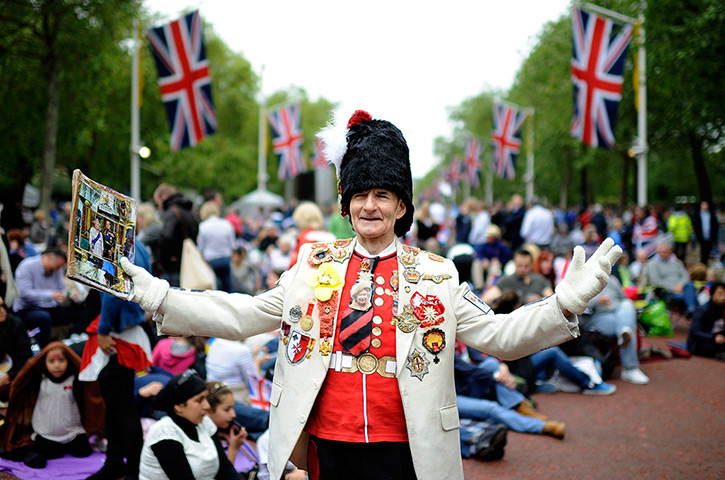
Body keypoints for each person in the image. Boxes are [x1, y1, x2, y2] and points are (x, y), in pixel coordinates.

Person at [121, 109, 621, 480]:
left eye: (382, 195)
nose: (369, 206)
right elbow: (243, 314)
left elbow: (500, 336)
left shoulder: (437, 274)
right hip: (329, 440)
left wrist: (565, 305)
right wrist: (160, 296)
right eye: (360, 195)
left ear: (401, 206)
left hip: (408, 444)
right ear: (346, 203)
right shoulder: (313, 264)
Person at [81, 242, 154, 480]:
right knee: (117, 407)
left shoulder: (119, 246)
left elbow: (113, 291)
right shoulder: (140, 246)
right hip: (125, 329)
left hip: (115, 333)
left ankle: (131, 469)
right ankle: (117, 464)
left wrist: (103, 330)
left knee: (120, 407)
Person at [0, 342, 103, 468]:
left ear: (68, 360)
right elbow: (19, 384)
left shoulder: (75, 380)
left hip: (72, 432)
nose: (57, 366)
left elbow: (92, 395)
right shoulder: (39, 379)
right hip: (46, 433)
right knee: (49, 452)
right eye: (51, 361)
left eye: (61, 360)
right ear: (44, 362)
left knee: (83, 451)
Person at [138, 370, 239, 480]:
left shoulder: (205, 422)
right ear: (179, 407)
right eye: (199, 400)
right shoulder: (164, 434)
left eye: (206, 398)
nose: (207, 406)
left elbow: (224, 467)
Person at [13, 249, 76, 348]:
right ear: (50, 257)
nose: (57, 269)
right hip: (27, 308)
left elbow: (61, 289)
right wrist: (51, 295)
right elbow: (25, 293)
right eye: (57, 266)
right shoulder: (27, 266)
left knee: (77, 311)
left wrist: (67, 295)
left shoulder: (56, 270)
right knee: (43, 317)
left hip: (49, 306)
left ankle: (72, 342)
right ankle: (45, 349)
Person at [153, 183, 200, 286]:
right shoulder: (190, 211)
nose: (159, 207)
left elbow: (166, 236)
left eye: (158, 203)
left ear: (163, 197)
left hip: (174, 265)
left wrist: (163, 259)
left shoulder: (172, 212)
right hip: (189, 262)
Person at [641, 240, 698, 317]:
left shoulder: (677, 262)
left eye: (665, 252)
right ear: (657, 252)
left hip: (682, 288)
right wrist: (673, 288)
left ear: (670, 252)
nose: (663, 254)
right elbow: (655, 282)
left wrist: (680, 285)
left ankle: (692, 310)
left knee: (690, 285)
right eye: (661, 252)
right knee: (692, 297)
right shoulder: (652, 264)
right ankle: (693, 310)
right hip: (667, 292)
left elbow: (686, 276)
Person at [482, 248, 554, 306]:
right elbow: (485, 299)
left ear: (531, 265)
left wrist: (540, 300)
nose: (522, 269)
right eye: (519, 266)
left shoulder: (540, 280)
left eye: (526, 266)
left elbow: (552, 300)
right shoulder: (506, 281)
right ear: (514, 263)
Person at [197, 201, 236, 293]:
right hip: (225, 258)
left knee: (214, 288)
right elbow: (233, 244)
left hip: (211, 260)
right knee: (227, 285)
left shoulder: (203, 226)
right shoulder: (226, 224)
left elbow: (200, 247)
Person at [0, 295, 33, 403]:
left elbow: (25, 358)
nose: (1, 310)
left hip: (14, 372)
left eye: (2, 306)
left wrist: (7, 376)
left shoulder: (15, 325)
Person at [687, 281, 725, 360]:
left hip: (719, 338)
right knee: (711, 346)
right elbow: (695, 331)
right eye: (720, 294)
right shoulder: (703, 310)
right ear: (712, 295)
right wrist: (713, 338)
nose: (723, 298)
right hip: (702, 341)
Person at [692, 200, 719, 265]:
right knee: (703, 249)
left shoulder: (711, 214)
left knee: (708, 249)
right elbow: (696, 225)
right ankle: (703, 262)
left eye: (706, 205)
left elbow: (715, 225)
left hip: (709, 235)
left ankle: (705, 262)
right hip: (701, 235)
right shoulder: (697, 215)